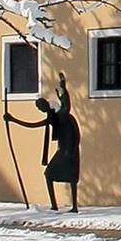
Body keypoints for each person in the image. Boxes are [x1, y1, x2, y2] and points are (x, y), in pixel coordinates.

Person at [33, 79, 83, 214]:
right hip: (65, 151)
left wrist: (64, 89)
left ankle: (71, 207)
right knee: (58, 176)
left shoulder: (62, 115)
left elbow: (67, 105)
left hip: (68, 151)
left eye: (40, 107)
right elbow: (36, 124)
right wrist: (13, 120)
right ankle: (59, 206)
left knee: (56, 175)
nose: (40, 110)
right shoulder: (54, 117)